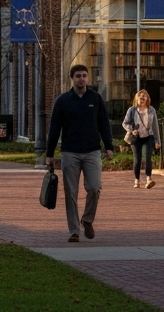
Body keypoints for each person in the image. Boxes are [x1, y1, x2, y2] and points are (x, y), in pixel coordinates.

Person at [46, 64, 115, 242]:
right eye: (78, 76)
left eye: (85, 75)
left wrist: (109, 146)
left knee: (94, 188)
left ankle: (87, 219)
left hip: (92, 151)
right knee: (71, 192)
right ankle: (74, 230)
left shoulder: (96, 99)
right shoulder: (63, 101)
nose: (82, 79)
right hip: (70, 152)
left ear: (88, 78)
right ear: (72, 78)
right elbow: (54, 128)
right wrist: (49, 153)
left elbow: (104, 124)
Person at [122, 89, 160, 189]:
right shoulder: (132, 110)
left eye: (144, 97)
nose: (142, 98)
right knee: (137, 159)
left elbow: (155, 126)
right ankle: (137, 180)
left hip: (148, 136)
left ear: (147, 99)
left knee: (148, 157)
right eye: (140, 96)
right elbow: (125, 123)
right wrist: (131, 130)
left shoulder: (151, 110)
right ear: (137, 98)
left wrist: (157, 141)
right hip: (136, 137)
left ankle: (148, 179)